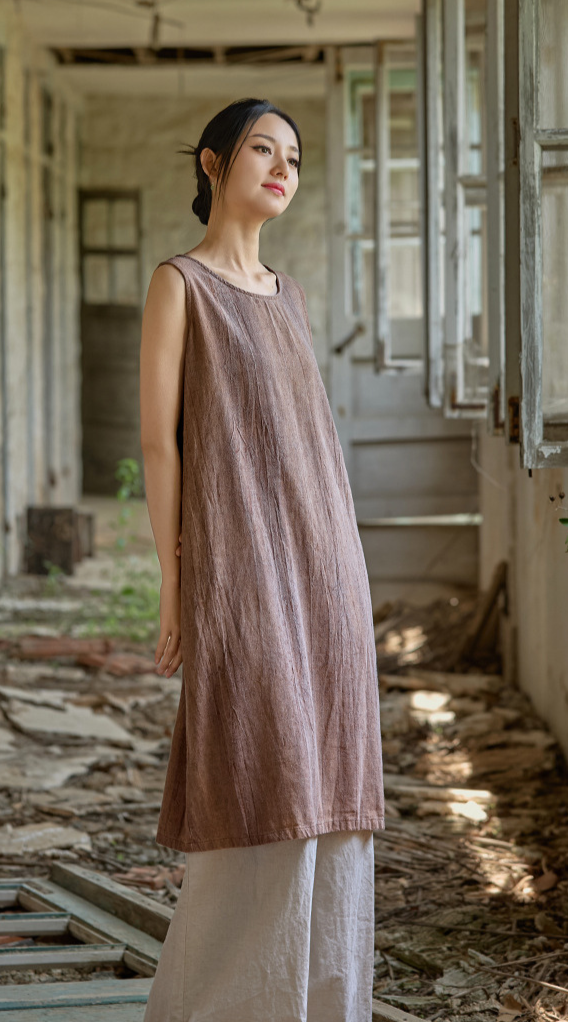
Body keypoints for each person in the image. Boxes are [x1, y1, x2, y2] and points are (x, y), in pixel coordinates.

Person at [138, 97, 385, 1022]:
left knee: (335, 785)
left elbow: (305, 442)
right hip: (239, 572)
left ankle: (324, 1004)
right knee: (259, 772)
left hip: (327, 570)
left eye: (292, 154)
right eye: (260, 149)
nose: (282, 166)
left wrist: (340, 574)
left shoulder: (292, 297)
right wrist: (173, 579)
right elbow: (161, 443)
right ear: (212, 163)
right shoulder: (180, 284)